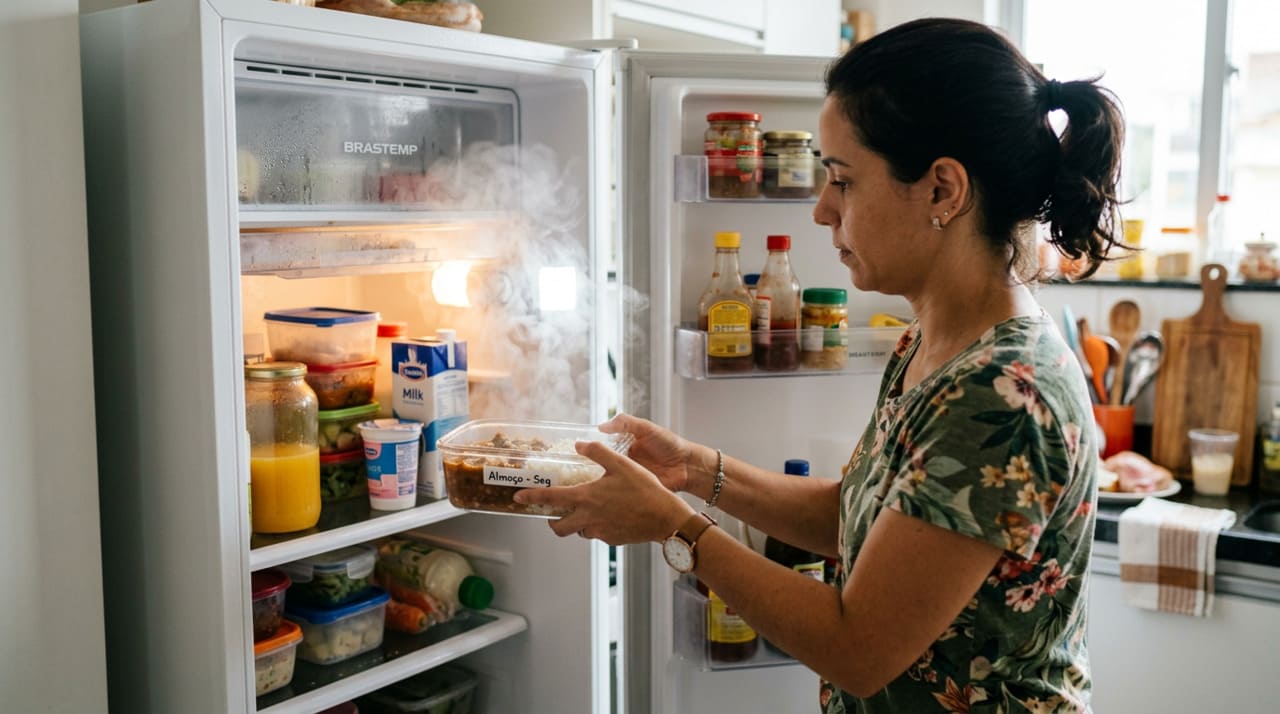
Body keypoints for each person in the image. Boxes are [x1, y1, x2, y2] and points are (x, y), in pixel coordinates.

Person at [515, 17, 1122, 713]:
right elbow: (859, 519)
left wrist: (670, 525)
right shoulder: (933, 340)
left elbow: (856, 648)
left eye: (842, 180)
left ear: (942, 191)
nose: (821, 210)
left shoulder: (1005, 392)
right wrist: (695, 470)